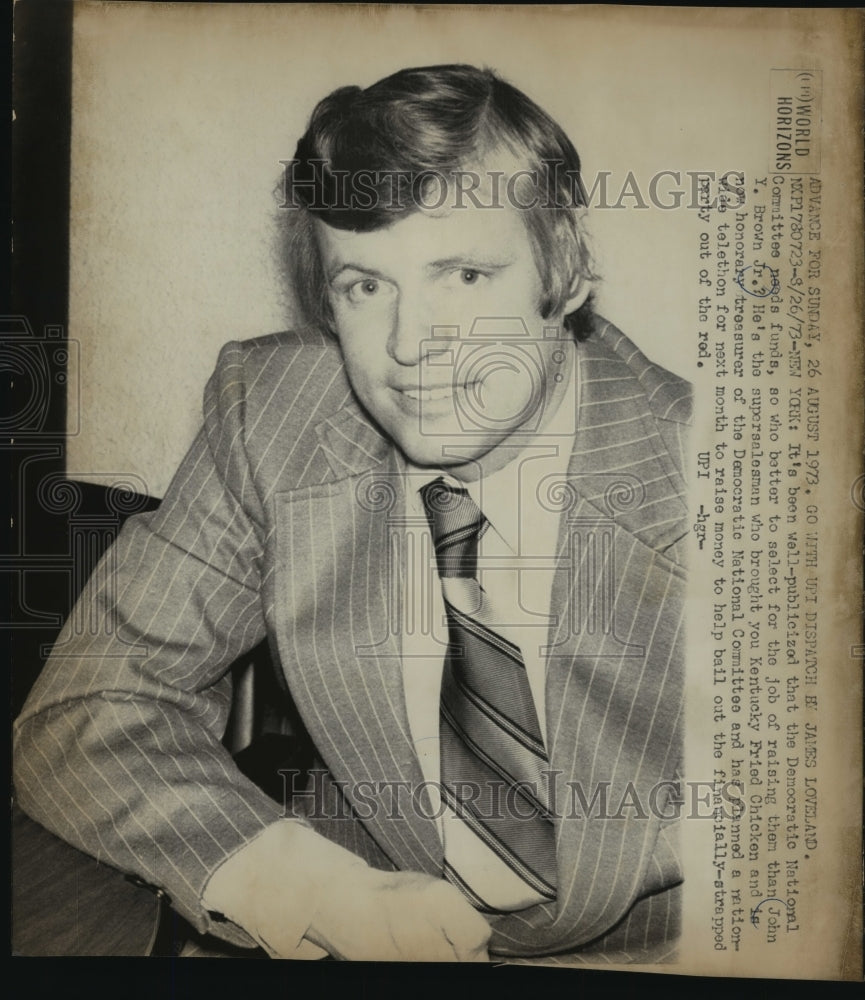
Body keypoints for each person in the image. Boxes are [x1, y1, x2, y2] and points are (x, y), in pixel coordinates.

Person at [13, 64, 690, 962]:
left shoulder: (735, 472)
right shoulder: (273, 413)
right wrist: (301, 884)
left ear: (564, 271)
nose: (411, 347)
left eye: (464, 275)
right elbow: (91, 702)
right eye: (365, 287)